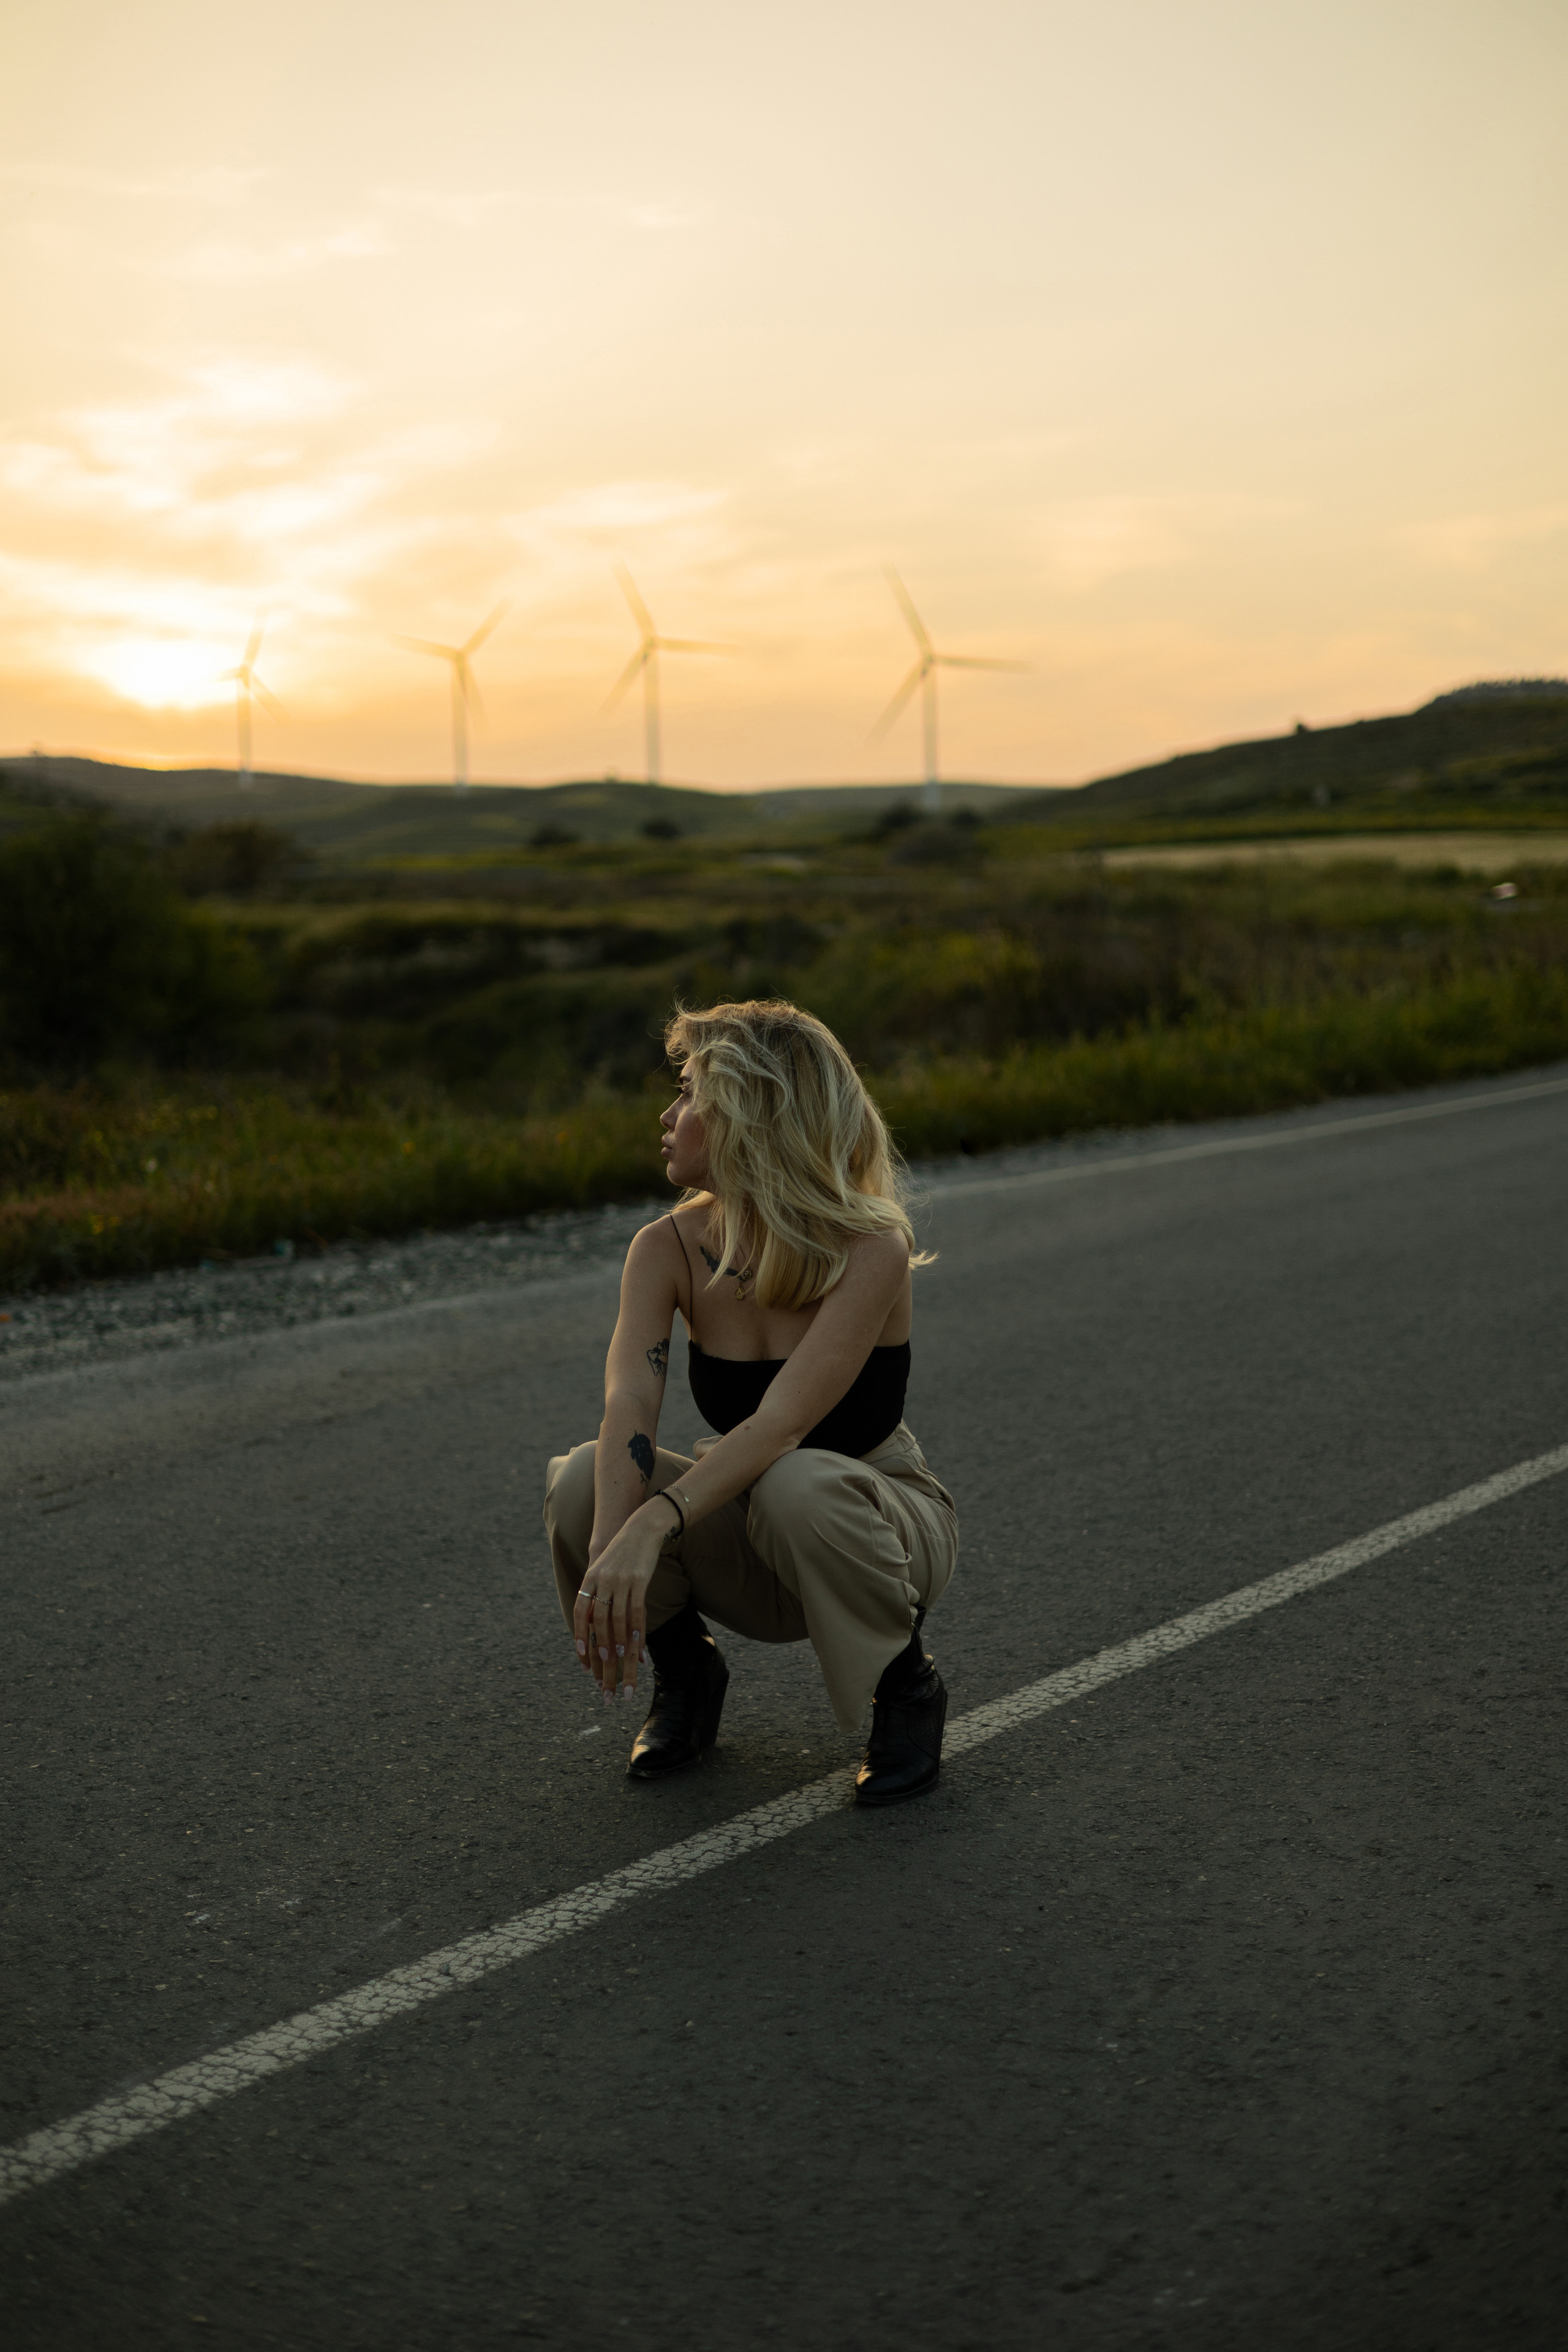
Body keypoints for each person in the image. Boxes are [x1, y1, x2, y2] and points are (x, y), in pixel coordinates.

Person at [543, 998, 958, 1806]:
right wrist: (609, 1555)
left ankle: (904, 1688)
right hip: (752, 1525)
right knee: (583, 1477)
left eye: (690, 1094)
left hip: (878, 1525)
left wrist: (656, 1522)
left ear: (746, 1113)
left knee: (794, 1479)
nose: (667, 1116)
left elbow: (783, 1425)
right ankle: (686, 1674)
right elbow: (630, 1401)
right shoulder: (664, 1247)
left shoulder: (871, 1247)